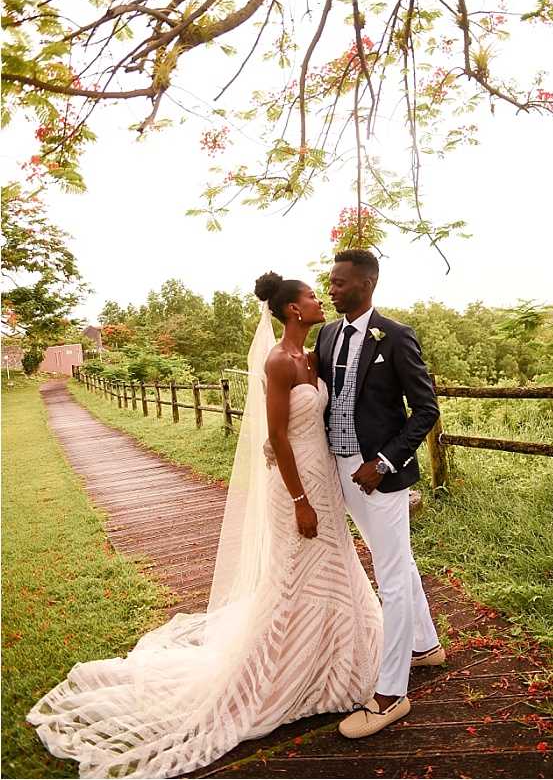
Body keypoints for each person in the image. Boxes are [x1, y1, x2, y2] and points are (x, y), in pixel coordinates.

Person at [27, 272, 383, 779]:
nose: (318, 298)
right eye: (309, 295)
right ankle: (280, 675)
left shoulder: (314, 354)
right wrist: (301, 500)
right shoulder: (279, 361)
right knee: (293, 577)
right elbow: (278, 438)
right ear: (290, 311)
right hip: (296, 482)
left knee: (335, 564)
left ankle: (337, 669)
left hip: (323, 472)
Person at [315, 248, 445, 740]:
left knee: (390, 577)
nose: (332, 288)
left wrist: (384, 462)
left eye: (340, 282)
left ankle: (391, 693)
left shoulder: (395, 336)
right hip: (340, 471)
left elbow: (425, 410)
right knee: (397, 561)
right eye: (329, 281)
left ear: (367, 283)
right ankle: (426, 646)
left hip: (380, 476)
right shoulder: (328, 334)